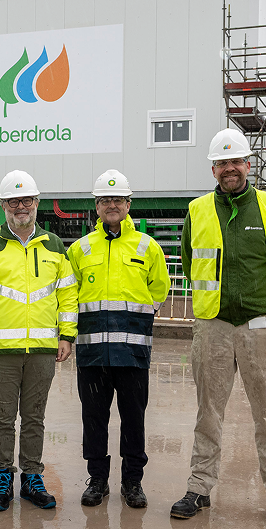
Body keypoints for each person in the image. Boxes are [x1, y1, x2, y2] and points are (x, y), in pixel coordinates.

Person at [170, 128, 266, 529]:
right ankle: (199, 487)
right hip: (213, 326)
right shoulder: (197, 211)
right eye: (222, 163)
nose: (229, 169)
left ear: (249, 164)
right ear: (213, 169)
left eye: (236, 162)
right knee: (208, 413)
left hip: (260, 325)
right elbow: (189, 257)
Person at [0, 169, 78, 511]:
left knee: (34, 417)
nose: (21, 206)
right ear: (3, 205)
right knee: (2, 417)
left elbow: (68, 295)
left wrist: (67, 336)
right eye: (14, 201)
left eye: (27, 199)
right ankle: (2, 479)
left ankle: (31, 477)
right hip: (0, 350)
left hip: (43, 349)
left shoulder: (54, 245)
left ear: (37, 203)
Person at [67, 169, 171, 509]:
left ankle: (132, 483)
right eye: (105, 200)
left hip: (133, 351)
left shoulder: (147, 246)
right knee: (94, 418)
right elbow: (69, 295)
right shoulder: (80, 249)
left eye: (118, 200)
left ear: (128, 204)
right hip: (92, 353)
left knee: (133, 417)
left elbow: (159, 288)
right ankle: (97, 480)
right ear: (96, 206)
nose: (112, 205)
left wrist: (139, 319)